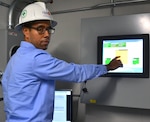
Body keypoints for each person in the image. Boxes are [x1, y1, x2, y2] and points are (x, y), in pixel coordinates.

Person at [1, 2, 123, 122]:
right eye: (40, 29)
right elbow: (76, 72)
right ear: (26, 31)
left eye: (48, 29)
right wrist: (107, 67)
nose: (47, 34)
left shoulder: (15, 58)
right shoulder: (36, 59)